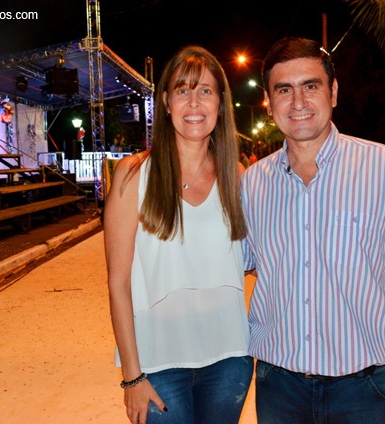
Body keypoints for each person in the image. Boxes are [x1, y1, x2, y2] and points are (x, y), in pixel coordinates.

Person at [241, 37, 385, 423]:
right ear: (268, 101)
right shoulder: (252, 183)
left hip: (367, 389)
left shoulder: (384, 168)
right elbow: (235, 267)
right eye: (284, 89)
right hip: (279, 387)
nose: (298, 102)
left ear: (333, 92)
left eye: (310, 86)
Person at [103, 45, 252, 424]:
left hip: (230, 359)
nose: (194, 102)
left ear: (220, 103)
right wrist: (132, 376)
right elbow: (118, 283)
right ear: (167, 102)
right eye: (183, 90)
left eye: (205, 90)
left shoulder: (237, 176)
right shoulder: (133, 175)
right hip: (157, 363)